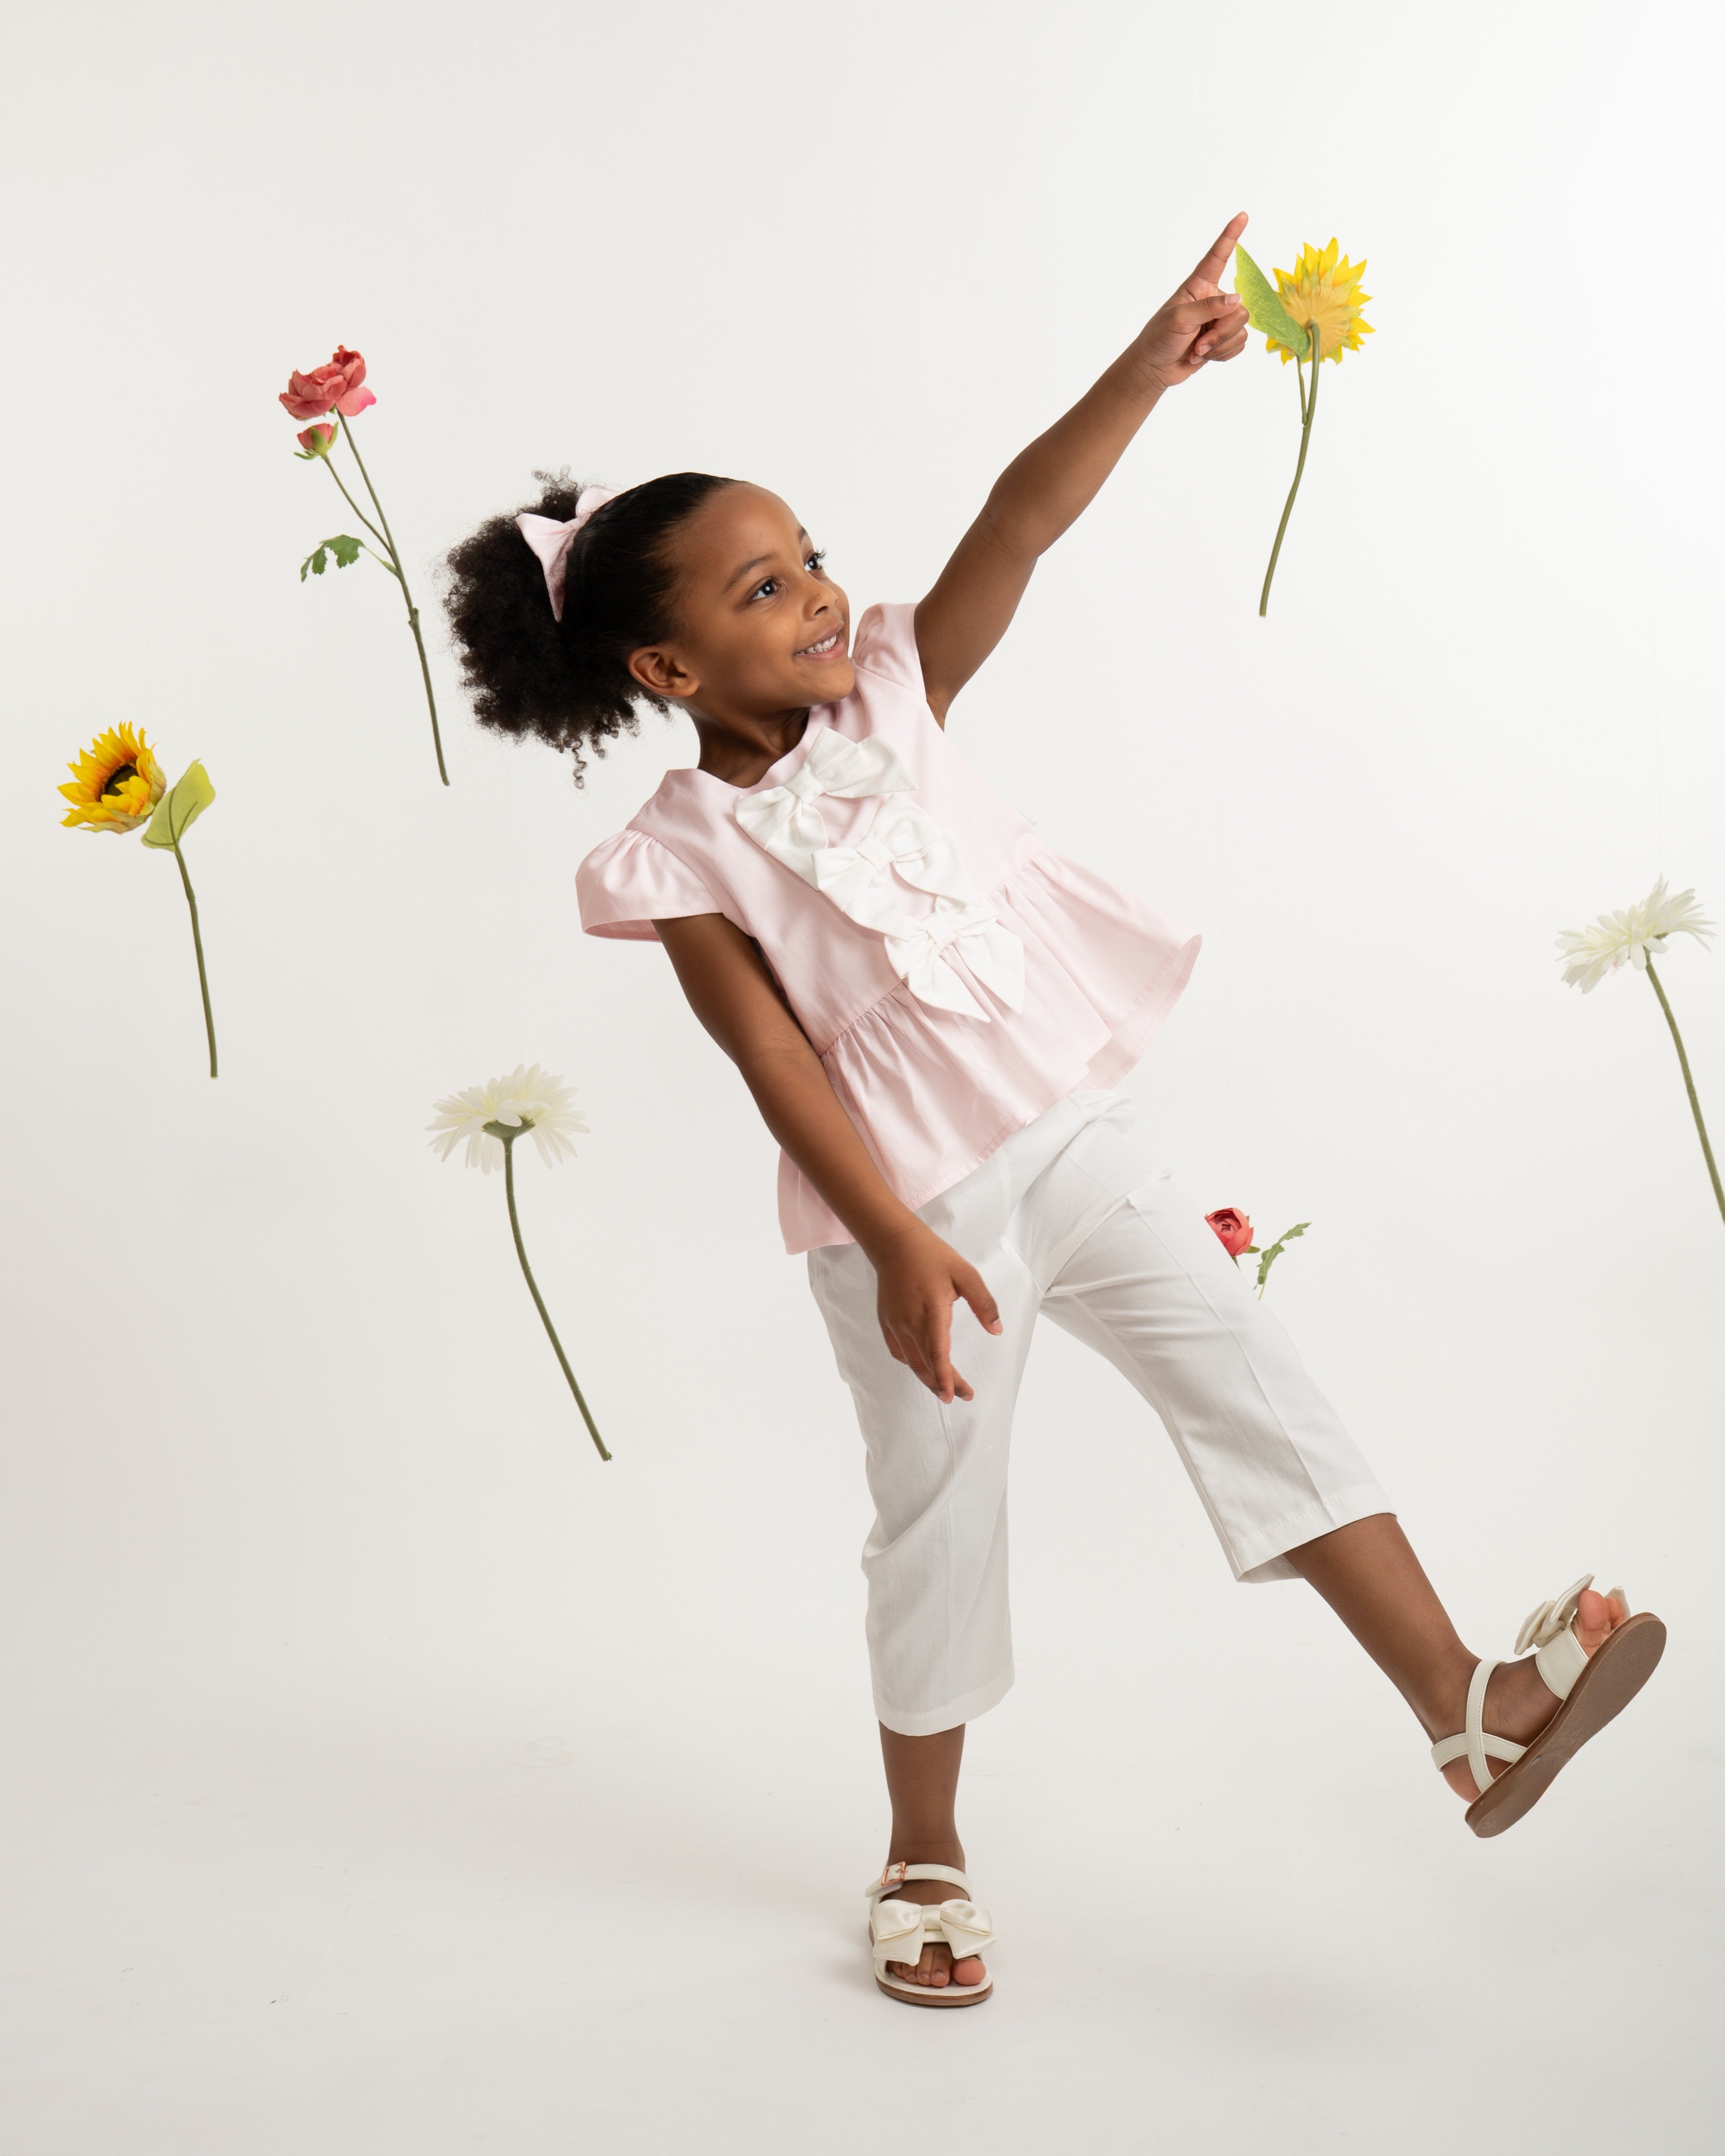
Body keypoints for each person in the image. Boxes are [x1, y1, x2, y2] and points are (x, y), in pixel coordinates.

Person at [443, 215, 1664, 2010]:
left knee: (1248, 1366)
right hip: (906, 1220)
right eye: (760, 588)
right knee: (938, 1512)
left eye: (810, 559)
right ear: (669, 672)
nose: (815, 598)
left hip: (1068, 1137)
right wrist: (902, 1243)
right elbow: (776, 1064)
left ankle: (1461, 1709)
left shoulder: (899, 693)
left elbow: (1020, 518)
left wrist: (1148, 369)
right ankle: (921, 1845)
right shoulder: (675, 855)